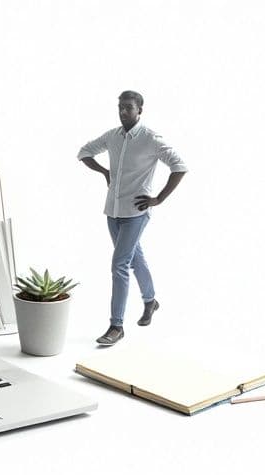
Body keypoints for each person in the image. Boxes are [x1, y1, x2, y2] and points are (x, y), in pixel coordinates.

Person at [78, 90, 187, 345]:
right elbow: (84, 152)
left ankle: (116, 326)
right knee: (135, 258)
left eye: (128, 107)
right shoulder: (112, 136)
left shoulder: (150, 138)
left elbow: (179, 166)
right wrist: (105, 172)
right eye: (120, 107)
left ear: (140, 110)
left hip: (136, 213)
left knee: (119, 265)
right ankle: (151, 301)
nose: (123, 111)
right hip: (112, 212)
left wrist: (158, 198)